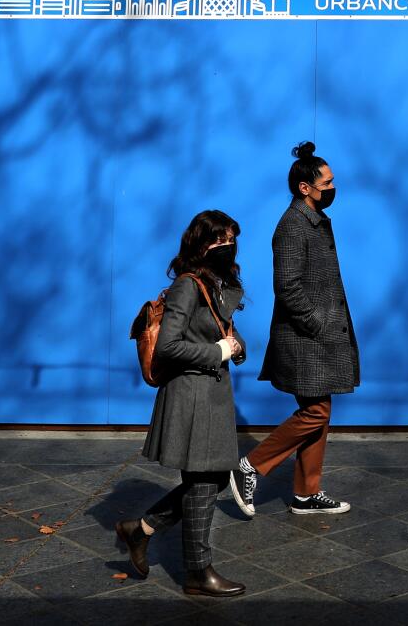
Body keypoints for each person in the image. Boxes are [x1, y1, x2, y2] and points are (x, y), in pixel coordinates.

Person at [116, 210, 249, 597]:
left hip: (209, 396)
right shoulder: (188, 285)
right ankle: (198, 572)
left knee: (209, 481)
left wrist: (236, 346)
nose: (227, 246)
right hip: (193, 398)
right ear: (199, 244)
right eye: (219, 240)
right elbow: (171, 345)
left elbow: (216, 326)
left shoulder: (215, 282)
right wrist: (217, 351)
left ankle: (138, 531)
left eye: (231, 239)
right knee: (206, 482)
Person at [229, 140, 360, 518]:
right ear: (306, 188)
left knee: (320, 409)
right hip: (305, 339)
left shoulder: (314, 221)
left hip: (318, 338)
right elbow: (287, 288)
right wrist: (317, 324)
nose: (333, 188)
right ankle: (250, 466)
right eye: (327, 183)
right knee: (316, 412)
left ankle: (306, 493)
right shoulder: (292, 226)